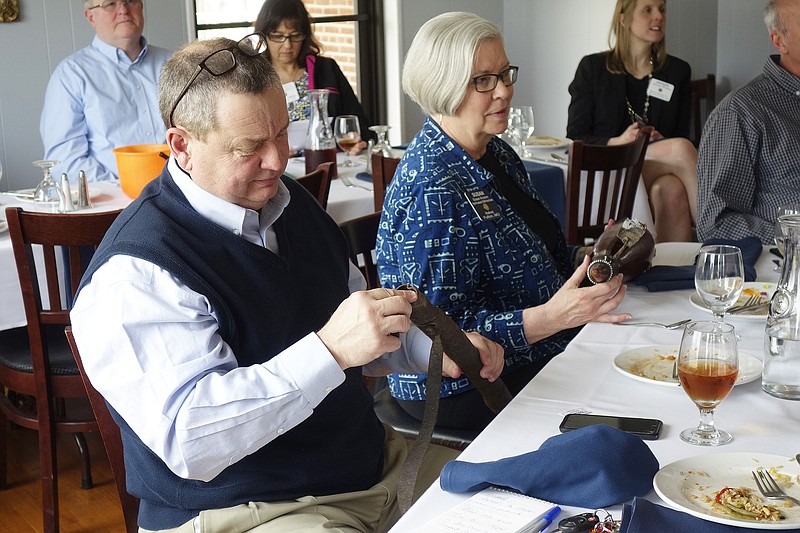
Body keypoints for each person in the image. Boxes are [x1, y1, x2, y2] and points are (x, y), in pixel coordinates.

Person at [69, 34, 503, 532]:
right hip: (242, 511)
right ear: (181, 146)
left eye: (281, 132)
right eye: (250, 147)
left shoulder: (294, 207)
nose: (277, 160)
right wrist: (329, 351)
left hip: (372, 468)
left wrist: (430, 349)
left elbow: (361, 332)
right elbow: (194, 443)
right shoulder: (137, 273)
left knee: (523, 506)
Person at [375, 12, 629, 432]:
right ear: (444, 87)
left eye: (505, 74)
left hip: (542, 346)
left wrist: (592, 258)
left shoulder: (497, 154)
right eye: (484, 81)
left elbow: (540, 254)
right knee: (634, 401)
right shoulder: (434, 186)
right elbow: (438, 334)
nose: (505, 90)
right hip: (466, 385)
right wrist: (551, 317)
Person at [567, 0, 698, 243]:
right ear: (624, 19)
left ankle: (670, 273)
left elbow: (681, 133)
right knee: (680, 150)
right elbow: (576, 135)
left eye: (662, 9)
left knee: (670, 188)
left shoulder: (677, 71)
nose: (658, 16)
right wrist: (619, 141)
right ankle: (717, 234)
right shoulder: (593, 68)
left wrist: (659, 140)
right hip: (609, 171)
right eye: (648, 10)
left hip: (654, 166)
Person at [696, 0, 800, 244]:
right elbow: (715, 224)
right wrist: (791, 238)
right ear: (779, 41)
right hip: (783, 266)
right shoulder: (742, 111)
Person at [40, 0, 172, 182]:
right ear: (90, 16)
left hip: (181, 198)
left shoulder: (175, 64)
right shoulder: (71, 74)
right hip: (110, 202)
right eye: (110, 4)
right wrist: (124, 188)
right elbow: (65, 160)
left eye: (130, 1)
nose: (124, 10)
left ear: (141, 6)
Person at [254, 0, 373, 150]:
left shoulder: (326, 68)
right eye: (278, 36)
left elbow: (357, 121)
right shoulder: (256, 77)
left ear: (305, 35)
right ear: (263, 36)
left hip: (327, 158)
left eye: (295, 36)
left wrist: (356, 141)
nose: (287, 45)